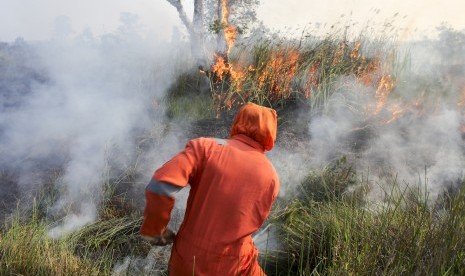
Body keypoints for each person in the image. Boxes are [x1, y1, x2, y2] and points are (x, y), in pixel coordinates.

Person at [140, 102, 280, 275]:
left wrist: (154, 229)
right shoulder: (271, 176)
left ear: (237, 122)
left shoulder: (205, 147)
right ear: (271, 136)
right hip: (235, 265)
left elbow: (160, 186)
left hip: (187, 260)